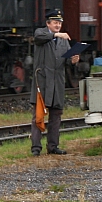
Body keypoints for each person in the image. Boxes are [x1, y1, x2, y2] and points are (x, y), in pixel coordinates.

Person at [31, 9, 80, 155]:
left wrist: (73, 61)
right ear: (48, 23)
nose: (58, 25)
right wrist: (56, 35)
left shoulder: (64, 41)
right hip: (42, 82)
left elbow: (66, 61)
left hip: (57, 83)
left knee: (56, 115)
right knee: (38, 115)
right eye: (55, 23)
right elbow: (38, 37)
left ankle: (53, 146)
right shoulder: (41, 33)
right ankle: (36, 148)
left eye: (59, 23)